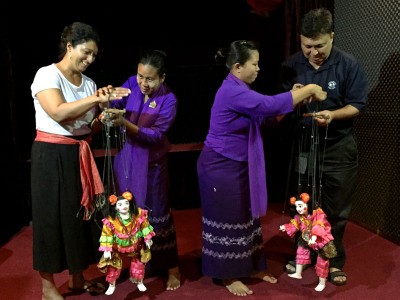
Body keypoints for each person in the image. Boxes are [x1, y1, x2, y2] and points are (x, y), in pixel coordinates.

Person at [196, 39, 327, 297]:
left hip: (237, 165)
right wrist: (309, 88)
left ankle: (251, 266)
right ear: (237, 67)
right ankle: (227, 274)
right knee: (229, 219)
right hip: (220, 167)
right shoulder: (231, 91)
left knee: (246, 218)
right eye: (253, 64)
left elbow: (267, 118)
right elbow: (269, 106)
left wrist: (296, 99)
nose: (258, 69)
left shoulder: (241, 89)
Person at [30, 22, 131, 300]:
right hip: (51, 155)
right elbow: (60, 113)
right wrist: (95, 99)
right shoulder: (47, 75)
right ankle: (47, 286)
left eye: (94, 56)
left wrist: (103, 118)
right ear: (69, 46)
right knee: (50, 217)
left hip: (79, 153)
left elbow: (86, 126)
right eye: (85, 52)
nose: (89, 60)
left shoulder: (88, 83)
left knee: (82, 216)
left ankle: (77, 277)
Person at [280, 8, 368, 286]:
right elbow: (278, 107)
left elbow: (356, 105)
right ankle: (303, 254)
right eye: (308, 46)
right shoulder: (291, 64)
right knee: (303, 205)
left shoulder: (348, 64)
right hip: (304, 146)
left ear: (332, 36)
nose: (314, 52)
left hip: (338, 146)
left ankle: (332, 261)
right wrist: (292, 97)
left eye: (320, 45)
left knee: (337, 209)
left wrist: (331, 115)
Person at [105, 49, 181, 290]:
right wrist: (107, 102)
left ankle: (172, 268)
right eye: (140, 76)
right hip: (127, 161)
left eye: (150, 79)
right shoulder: (131, 84)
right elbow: (115, 102)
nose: (143, 83)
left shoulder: (169, 100)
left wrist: (125, 123)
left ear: (162, 78)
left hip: (152, 164)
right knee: (131, 214)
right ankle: (141, 263)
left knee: (157, 214)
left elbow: (156, 135)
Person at [97, 191, 155, 295]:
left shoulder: (137, 215)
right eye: (120, 204)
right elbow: (107, 234)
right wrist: (107, 249)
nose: (124, 206)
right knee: (113, 265)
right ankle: (111, 284)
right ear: (115, 207)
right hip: (117, 247)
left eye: (126, 203)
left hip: (135, 245)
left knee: (139, 263)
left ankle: (139, 281)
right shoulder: (112, 220)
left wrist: (147, 238)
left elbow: (145, 226)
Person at [279, 193, 336, 292]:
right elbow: (295, 224)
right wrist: (286, 227)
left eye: (300, 206)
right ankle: (298, 273)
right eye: (296, 206)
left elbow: (319, 226)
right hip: (306, 238)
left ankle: (322, 283)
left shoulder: (317, 214)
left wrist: (314, 236)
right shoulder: (300, 216)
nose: (298, 208)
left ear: (307, 205)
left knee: (322, 261)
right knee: (301, 251)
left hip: (320, 240)